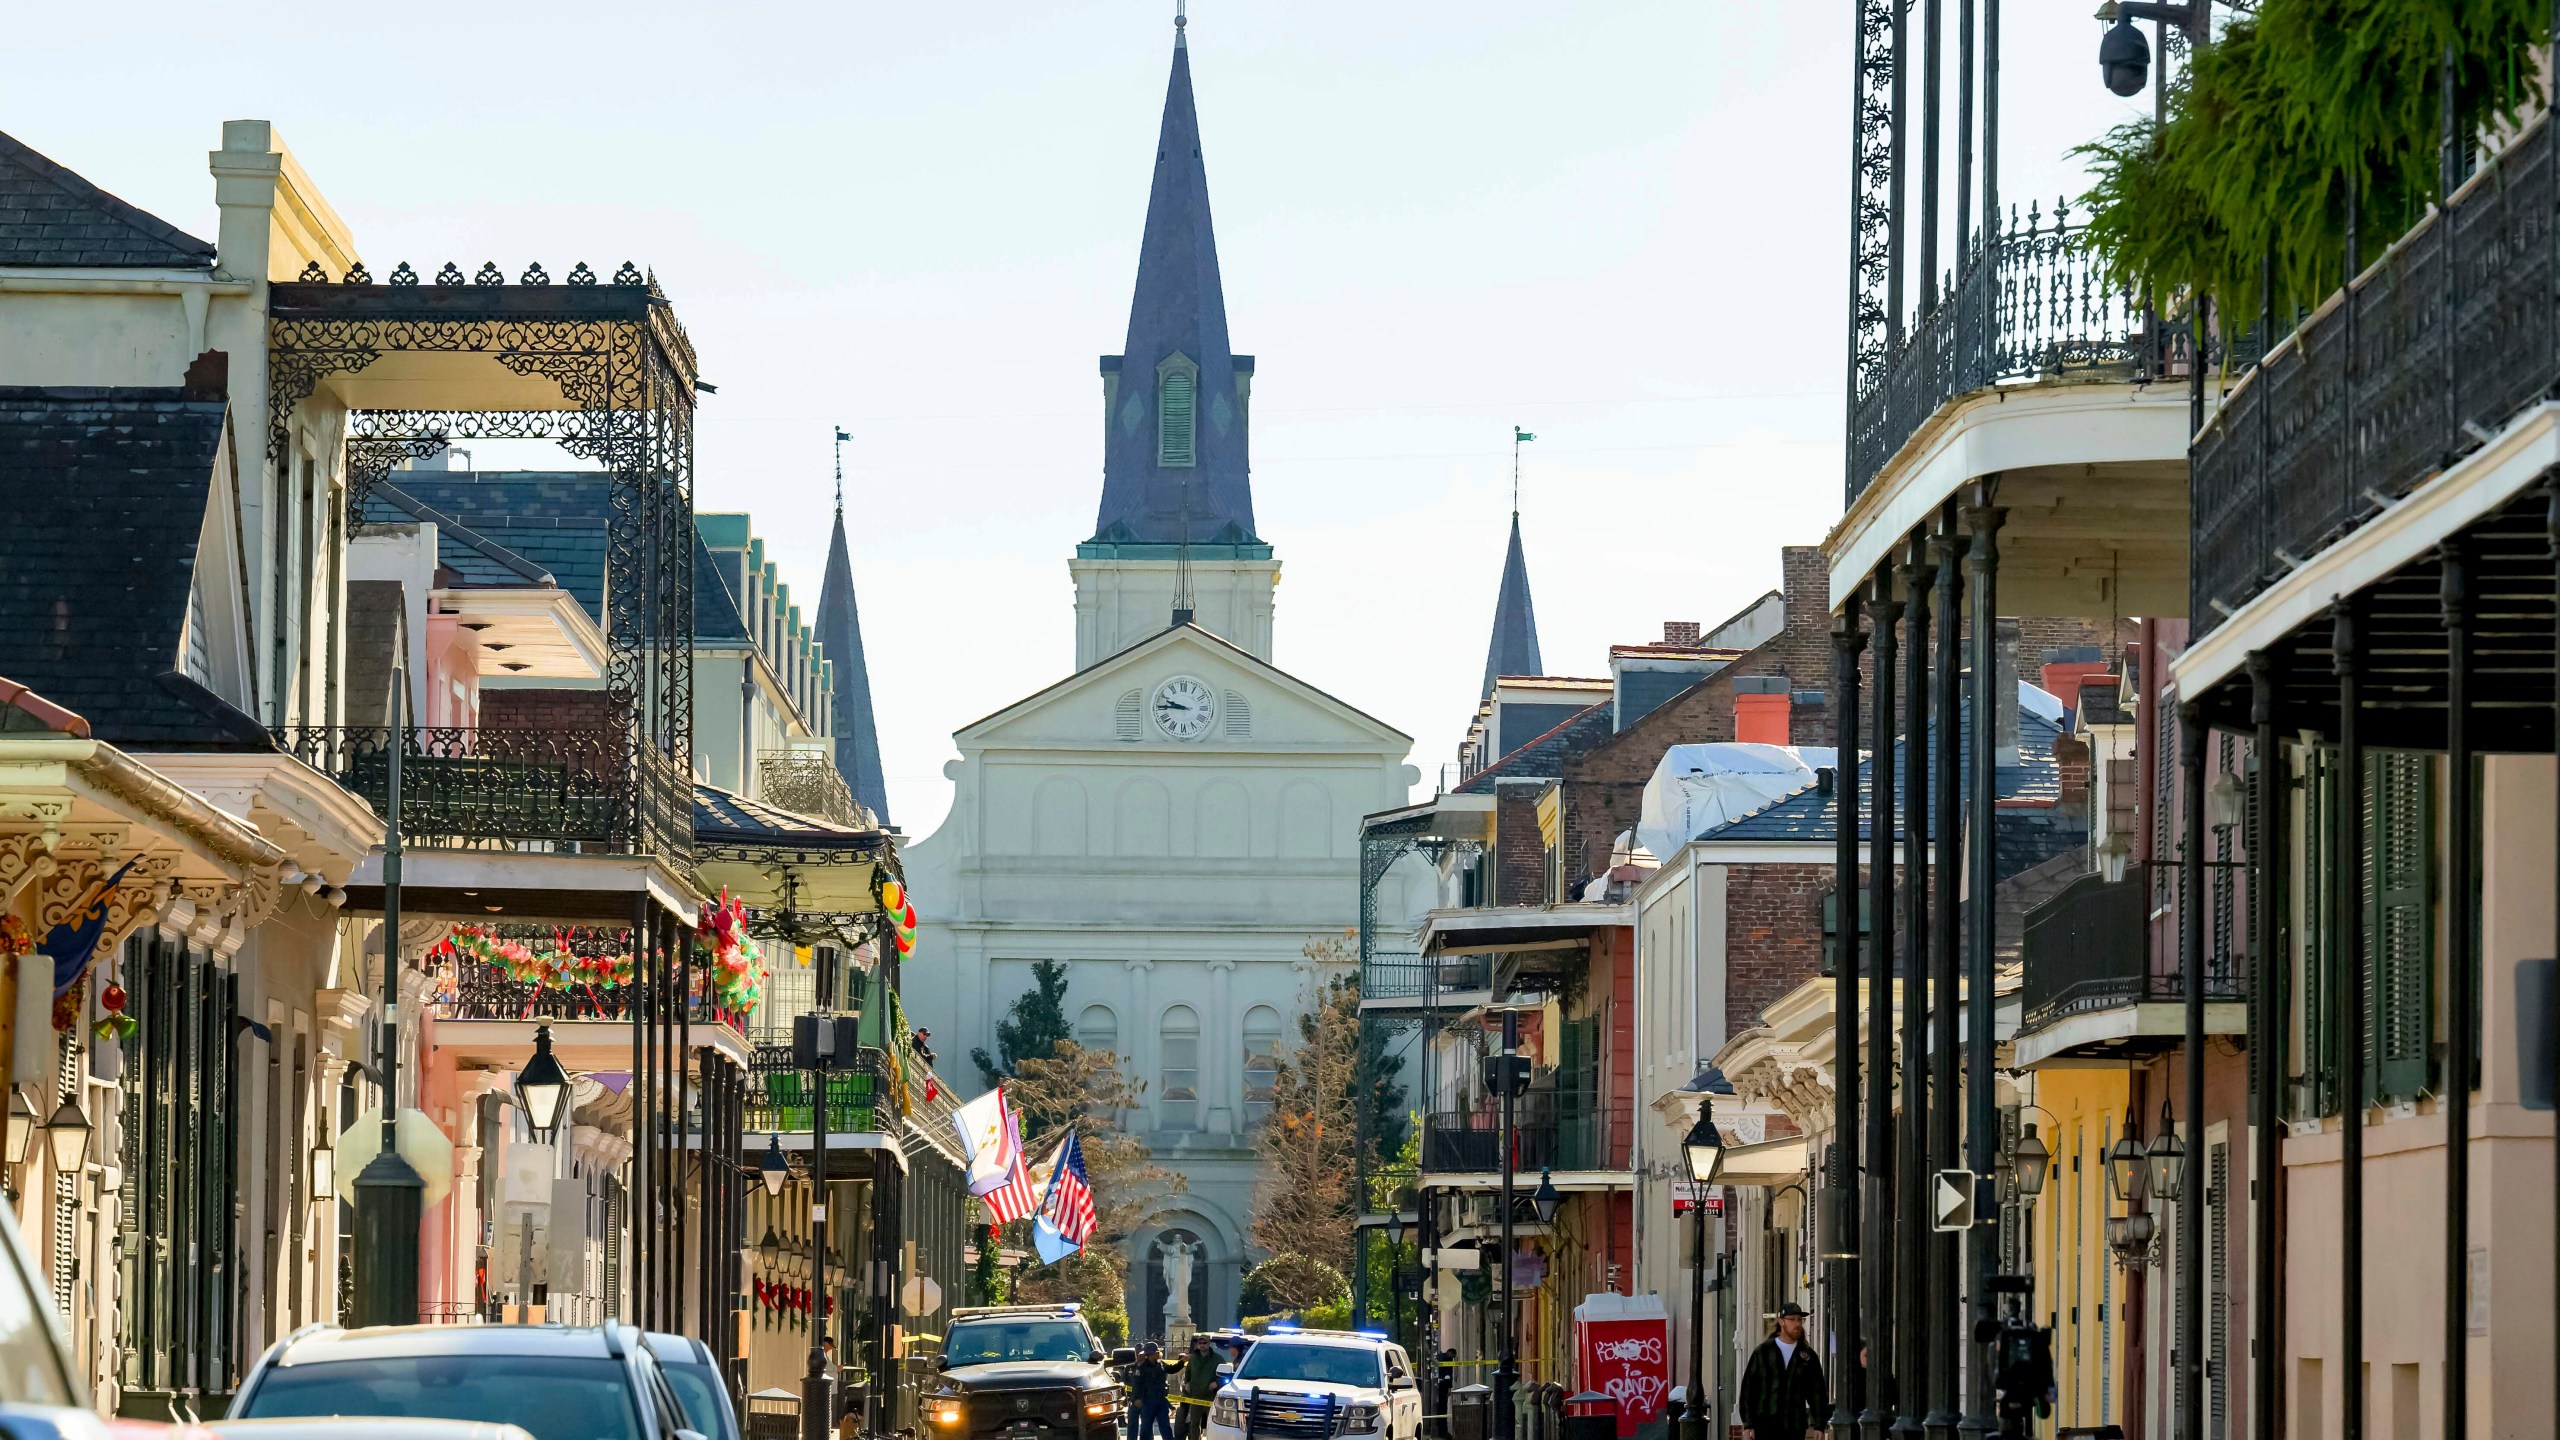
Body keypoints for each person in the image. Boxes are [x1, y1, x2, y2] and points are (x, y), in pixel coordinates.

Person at [1737, 1303, 1828, 1440]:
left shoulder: (1807, 1356)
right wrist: (1748, 1424)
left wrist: (1819, 1425)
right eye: (1792, 1319)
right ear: (1781, 1322)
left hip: (1794, 1427)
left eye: (1800, 1320)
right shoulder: (1763, 1352)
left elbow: (1817, 1393)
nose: (1797, 1323)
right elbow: (1749, 1390)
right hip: (1765, 1427)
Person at [1128, 1340, 1177, 1440]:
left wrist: (1182, 1362)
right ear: (1153, 1354)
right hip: (1147, 1402)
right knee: (1146, 1428)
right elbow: (1136, 1385)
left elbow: (1171, 1369)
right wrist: (1136, 1399)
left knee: (1165, 1427)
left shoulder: (1161, 1364)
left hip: (1160, 1401)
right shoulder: (1141, 1368)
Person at [1177, 1334, 1222, 1440]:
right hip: (1195, 1397)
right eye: (1200, 1343)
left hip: (1211, 1398)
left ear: (1209, 1344)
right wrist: (1187, 1384)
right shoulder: (1193, 1359)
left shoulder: (1217, 1359)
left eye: (1204, 1343)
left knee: (1214, 1423)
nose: (1202, 1345)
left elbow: (1226, 1376)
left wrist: (1217, 1383)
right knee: (1194, 1423)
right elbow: (1187, 1374)